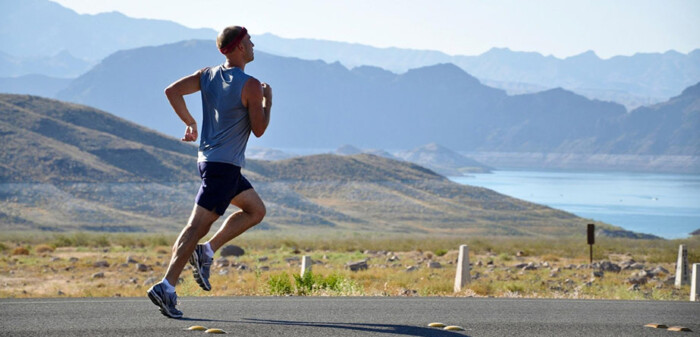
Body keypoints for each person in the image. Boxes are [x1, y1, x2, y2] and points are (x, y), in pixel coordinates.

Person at [147, 26, 272, 318]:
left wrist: (190, 122)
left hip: (212, 162)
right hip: (223, 167)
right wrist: (268, 101)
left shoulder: (207, 75)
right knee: (195, 227)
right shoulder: (251, 85)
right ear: (240, 46)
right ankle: (166, 286)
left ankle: (206, 251)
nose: (253, 46)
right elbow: (259, 129)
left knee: (255, 210)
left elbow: (172, 91)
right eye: (250, 42)